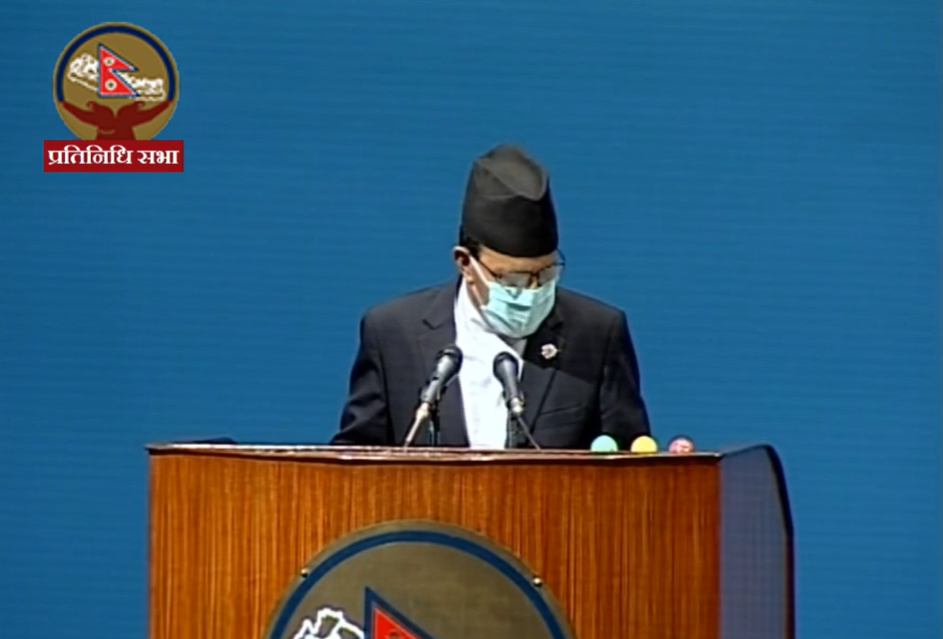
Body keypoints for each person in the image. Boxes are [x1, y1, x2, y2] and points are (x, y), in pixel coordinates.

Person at [331, 144, 651, 449]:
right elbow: (356, 459)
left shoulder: (597, 333)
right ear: (465, 263)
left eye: (545, 273)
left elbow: (629, 461)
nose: (532, 290)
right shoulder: (393, 332)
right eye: (512, 279)